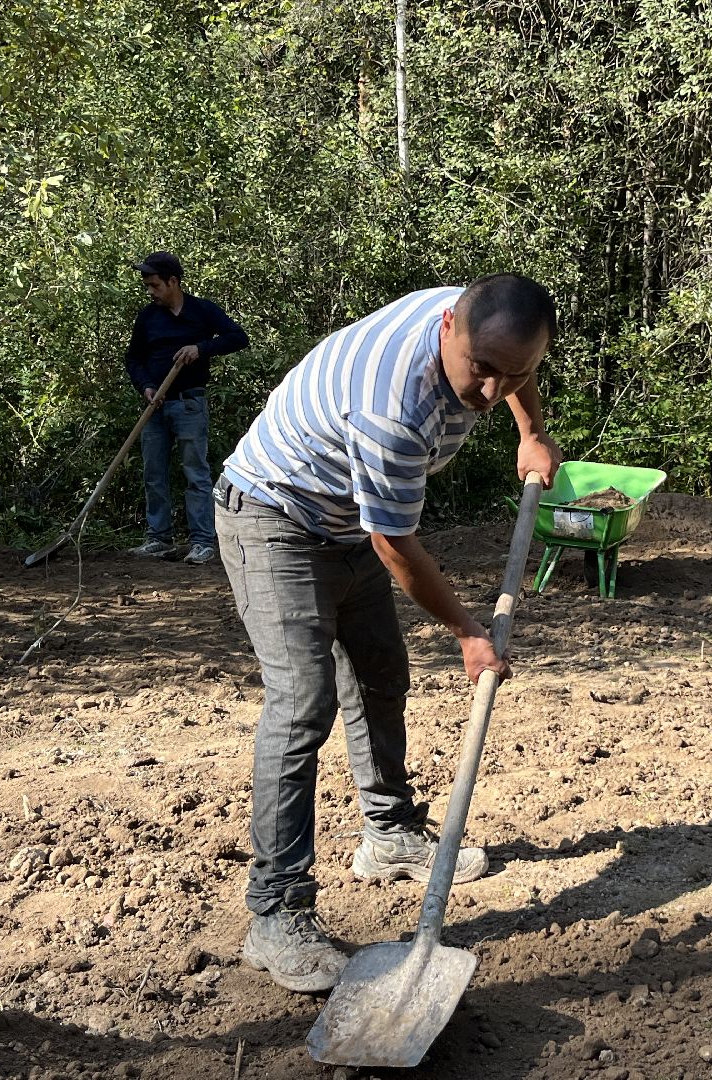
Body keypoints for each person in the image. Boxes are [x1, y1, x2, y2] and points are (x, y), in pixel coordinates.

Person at [213, 273, 561, 993]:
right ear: (447, 331)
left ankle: (389, 832)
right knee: (303, 701)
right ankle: (276, 912)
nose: (493, 391)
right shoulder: (392, 407)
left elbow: (511, 369)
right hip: (276, 516)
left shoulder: (489, 318)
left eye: (514, 375)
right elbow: (396, 545)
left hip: (344, 519)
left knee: (378, 673)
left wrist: (532, 430)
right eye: (482, 371)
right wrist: (469, 630)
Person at [124, 251, 250, 565]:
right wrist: (146, 386)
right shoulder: (148, 317)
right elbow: (134, 359)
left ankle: (203, 542)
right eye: (147, 286)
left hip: (189, 404)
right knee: (154, 473)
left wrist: (200, 348)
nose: (150, 292)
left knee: (196, 473)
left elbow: (238, 337)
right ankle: (159, 538)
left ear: (173, 282)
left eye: (155, 285)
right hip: (155, 406)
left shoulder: (202, 311)